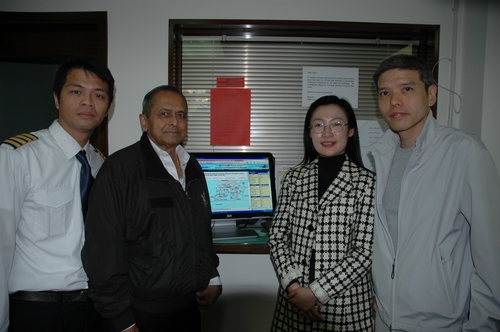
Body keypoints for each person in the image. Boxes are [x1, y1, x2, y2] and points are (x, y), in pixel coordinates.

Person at [370, 54, 500, 331]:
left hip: (441, 322)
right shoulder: (379, 156)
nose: (394, 100)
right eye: (385, 92)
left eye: (406, 88)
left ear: (431, 95)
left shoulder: (465, 153)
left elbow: (492, 257)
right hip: (385, 318)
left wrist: (483, 327)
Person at [81, 85, 222, 332]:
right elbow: (102, 253)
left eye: (181, 115)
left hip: (188, 308)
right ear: (144, 121)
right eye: (164, 114)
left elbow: (200, 229)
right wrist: (122, 321)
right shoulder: (120, 170)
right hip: (140, 314)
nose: (174, 122)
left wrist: (211, 276)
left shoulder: (193, 167)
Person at [0, 56, 115, 332]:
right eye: (76, 92)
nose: (88, 102)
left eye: (98, 95)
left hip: (94, 308)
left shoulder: (102, 165)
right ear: (56, 98)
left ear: (108, 107)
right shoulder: (18, 157)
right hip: (38, 311)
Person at [268, 95, 376, 331]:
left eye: (336, 124)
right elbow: (277, 237)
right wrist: (295, 288)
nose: (327, 133)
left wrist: (315, 293)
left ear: (350, 131)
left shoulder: (367, 183)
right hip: (293, 304)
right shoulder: (294, 179)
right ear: (310, 132)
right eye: (318, 125)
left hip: (345, 306)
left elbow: (365, 252)